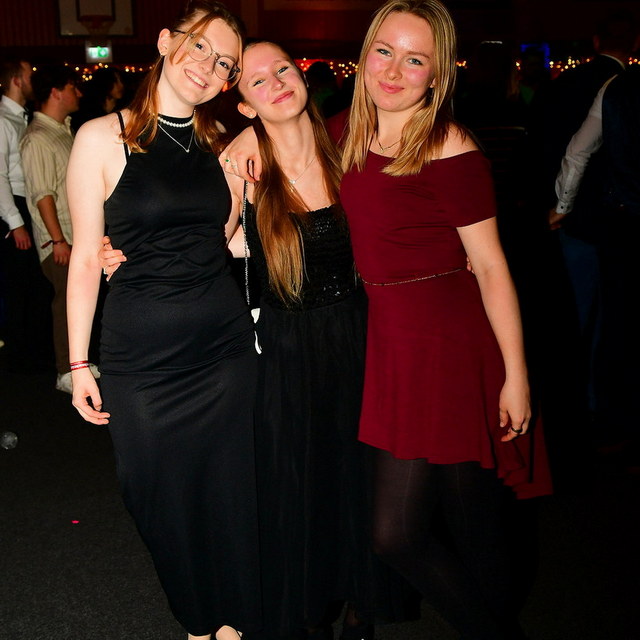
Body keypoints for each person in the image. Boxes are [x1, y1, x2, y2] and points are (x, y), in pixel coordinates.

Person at [222, 1, 551, 638]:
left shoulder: (448, 143)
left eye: (415, 59)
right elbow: (282, 134)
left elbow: (491, 266)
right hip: (386, 341)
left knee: (464, 524)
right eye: (384, 51)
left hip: (450, 343)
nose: (394, 71)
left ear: (438, 74)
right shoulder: (344, 132)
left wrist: (517, 375)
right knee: (406, 530)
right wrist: (245, 136)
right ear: (364, 54)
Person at [101, 40, 410, 640]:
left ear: (304, 76)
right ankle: (304, 611)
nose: (276, 84)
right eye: (257, 81)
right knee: (293, 490)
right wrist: (123, 253)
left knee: (358, 480)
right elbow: (204, 244)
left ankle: (359, 606)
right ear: (242, 103)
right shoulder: (239, 168)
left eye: (283, 70)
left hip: (358, 344)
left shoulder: (349, 148)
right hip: (284, 352)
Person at [65, 2, 261, 639]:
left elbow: (223, 240)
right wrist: (78, 362)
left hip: (223, 348)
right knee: (155, 498)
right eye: (201, 46)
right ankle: (198, 618)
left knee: (230, 497)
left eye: (225, 63)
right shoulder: (101, 137)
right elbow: (84, 260)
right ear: (165, 40)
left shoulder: (221, 143)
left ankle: (227, 626)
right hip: (141, 356)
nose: (210, 66)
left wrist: (254, 206)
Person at [19, 64, 95, 392]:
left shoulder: (63, 130)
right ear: (56, 93)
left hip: (76, 235)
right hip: (61, 240)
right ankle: (67, 371)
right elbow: (42, 195)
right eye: (72, 87)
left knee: (78, 302)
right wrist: (58, 240)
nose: (79, 93)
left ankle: (78, 364)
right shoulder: (38, 137)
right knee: (67, 304)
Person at [0, 58, 52, 372]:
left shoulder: (22, 116)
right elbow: (0, 177)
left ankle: (30, 351)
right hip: (13, 208)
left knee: (31, 282)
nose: (34, 80)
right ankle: (17, 358)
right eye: (29, 76)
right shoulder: (3, 119)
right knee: (17, 284)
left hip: (23, 204)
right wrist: (16, 222)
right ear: (17, 80)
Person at [71, 66, 125, 131]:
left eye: (121, 81)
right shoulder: (88, 111)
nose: (121, 86)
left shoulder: (124, 109)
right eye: (115, 82)